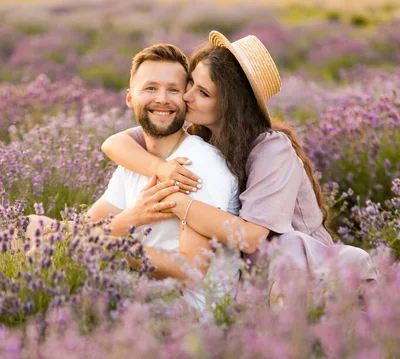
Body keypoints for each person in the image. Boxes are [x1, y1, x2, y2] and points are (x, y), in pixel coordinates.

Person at [102, 31, 377, 303]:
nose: (186, 97)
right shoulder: (202, 134)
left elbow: (252, 237)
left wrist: (173, 199)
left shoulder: (272, 149)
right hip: (247, 269)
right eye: (190, 85)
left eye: (202, 93)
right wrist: (161, 169)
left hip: (300, 266)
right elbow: (116, 143)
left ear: (229, 104)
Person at [25, 43, 240, 308]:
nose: (162, 98)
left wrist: (111, 246)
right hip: (136, 291)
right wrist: (130, 218)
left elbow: (191, 269)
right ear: (130, 98)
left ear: (185, 99)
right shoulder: (135, 162)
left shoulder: (198, 165)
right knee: (32, 227)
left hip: (184, 313)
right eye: (151, 88)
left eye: (173, 89)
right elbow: (89, 226)